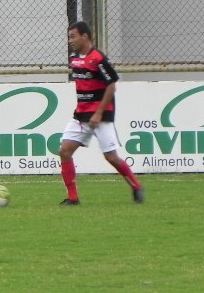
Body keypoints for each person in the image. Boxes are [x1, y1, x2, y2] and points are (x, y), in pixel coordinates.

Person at [58, 21, 143, 206]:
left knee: (111, 157)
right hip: (81, 115)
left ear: (85, 36)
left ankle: (136, 186)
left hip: (100, 116)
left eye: (73, 36)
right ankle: (73, 198)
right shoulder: (74, 58)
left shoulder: (98, 59)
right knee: (64, 151)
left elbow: (111, 87)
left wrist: (98, 113)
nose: (70, 40)